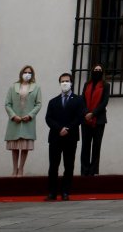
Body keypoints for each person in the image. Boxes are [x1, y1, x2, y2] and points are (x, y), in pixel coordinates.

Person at [45, 72, 85, 201]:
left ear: (71, 83)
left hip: (70, 137)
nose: (64, 83)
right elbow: (48, 118)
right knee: (53, 166)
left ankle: (65, 192)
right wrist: (59, 129)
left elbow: (79, 117)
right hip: (55, 137)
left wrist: (68, 128)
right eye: (62, 81)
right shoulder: (53, 101)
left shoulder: (78, 100)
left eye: (67, 81)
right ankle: (52, 192)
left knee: (69, 166)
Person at [3, 64, 42, 177]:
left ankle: (21, 168)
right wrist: (13, 115)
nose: (27, 74)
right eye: (25, 72)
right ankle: (14, 168)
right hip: (15, 120)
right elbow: (7, 103)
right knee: (15, 146)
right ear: (21, 73)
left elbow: (38, 104)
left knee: (25, 146)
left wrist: (30, 115)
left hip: (28, 121)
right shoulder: (13, 87)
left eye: (29, 73)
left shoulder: (36, 87)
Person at [80, 64, 110, 176]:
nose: (97, 71)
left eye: (99, 70)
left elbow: (104, 102)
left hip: (99, 120)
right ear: (92, 71)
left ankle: (94, 171)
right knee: (85, 146)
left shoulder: (106, 85)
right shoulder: (86, 84)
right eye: (96, 69)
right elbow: (82, 99)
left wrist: (93, 113)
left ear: (102, 72)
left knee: (96, 146)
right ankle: (84, 170)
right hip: (85, 120)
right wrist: (86, 112)